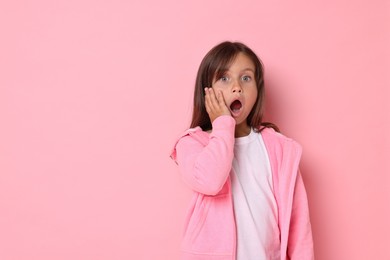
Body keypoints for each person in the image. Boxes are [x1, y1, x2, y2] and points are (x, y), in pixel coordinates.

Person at [170, 41, 314, 260]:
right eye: (224, 78)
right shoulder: (192, 143)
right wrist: (222, 124)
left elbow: (298, 224)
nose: (236, 87)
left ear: (258, 90)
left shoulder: (280, 148)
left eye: (246, 78)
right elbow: (210, 180)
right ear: (205, 91)